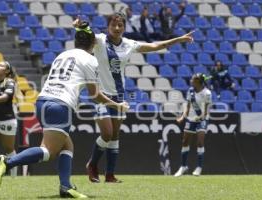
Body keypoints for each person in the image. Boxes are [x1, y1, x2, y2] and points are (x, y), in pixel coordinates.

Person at [0, 22, 129, 198]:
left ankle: (65, 187)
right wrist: (117, 105)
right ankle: (8, 161)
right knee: (48, 151)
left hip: (42, 101)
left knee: (67, 146)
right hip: (60, 105)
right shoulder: (90, 60)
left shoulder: (62, 55)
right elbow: (95, 95)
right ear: (93, 43)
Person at [73, 12, 194, 183]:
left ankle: (110, 175)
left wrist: (178, 39)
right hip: (100, 94)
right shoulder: (99, 40)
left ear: (124, 27)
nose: (117, 28)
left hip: (119, 95)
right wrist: (79, 25)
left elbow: (154, 46)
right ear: (108, 26)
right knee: (106, 133)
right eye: (113, 25)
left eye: (120, 25)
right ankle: (92, 165)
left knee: (115, 136)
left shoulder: (129, 44)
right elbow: (85, 31)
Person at [174, 73, 212, 177]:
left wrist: (199, 118)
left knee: (200, 142)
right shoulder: (190, 91)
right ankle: (183, 167)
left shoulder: (207, 93)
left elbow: (206, 110)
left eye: (193, 80)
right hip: (191, 118)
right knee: (185, 141)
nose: (191, 81)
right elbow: (188, 105)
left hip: (202, 119)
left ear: (198, 82)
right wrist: (183, 117)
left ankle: (199, 167)